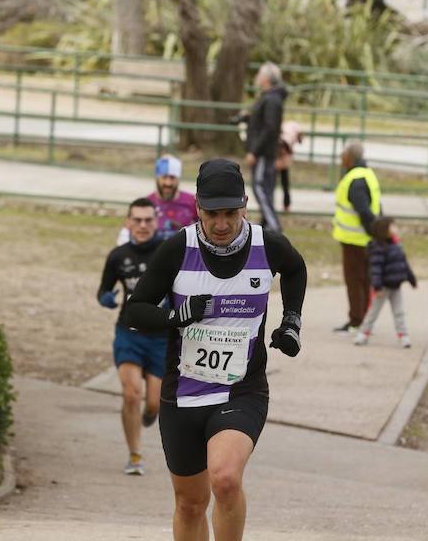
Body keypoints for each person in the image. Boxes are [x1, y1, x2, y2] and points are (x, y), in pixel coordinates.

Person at [125, 158, 307, 541]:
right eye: (212, 214)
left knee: (225, 479)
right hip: (183, 393)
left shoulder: (267, 244)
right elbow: (135, 311)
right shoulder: (178, 249)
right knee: (191, 503)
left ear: (244, 205)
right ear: (198, 209)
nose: (222, 224)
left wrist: (291, 320)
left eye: (230, 213)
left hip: (241, 389)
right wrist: (177, 316)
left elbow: (295, 268)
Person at [98, 197, 169, 475]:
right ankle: (135, 455)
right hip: (129, 332)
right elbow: (103, 289)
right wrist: (106, 298)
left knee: (153, 402)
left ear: (156, 222)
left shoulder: (167, 252)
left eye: (148, 220)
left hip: (162, 336)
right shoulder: (118, 256)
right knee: (131, 394)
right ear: (128, 223)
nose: (142, 225)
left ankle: (150, 414)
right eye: (136, 220)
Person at [332, 143, 381, 333]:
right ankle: (363, 320)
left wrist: (373, 232)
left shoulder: (355, 179)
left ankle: (357, 322)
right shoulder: (367, 174)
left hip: (356, 241)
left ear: (350, 158)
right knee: (365, 281)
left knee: (355, 281)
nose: (340, 158)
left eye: (343, 154)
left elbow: (364, 211)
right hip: (364, 240)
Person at [354, 216, 417, 347]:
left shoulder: (397, 244)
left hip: (396, 286)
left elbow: (404, 264)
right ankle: (363, 333)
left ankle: (403, 335)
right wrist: (377, 287)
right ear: (384, 230)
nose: (396, 228)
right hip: (382, 288)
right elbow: (375, 269)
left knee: (399, 312)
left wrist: (411, 279)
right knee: (373, 312)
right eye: (392, 226)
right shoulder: (378, 248)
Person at [243, 62, 287, 233]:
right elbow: (263, 122)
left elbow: (270, 128)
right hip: (263, 152)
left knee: (260, 187)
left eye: (260, 74)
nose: (257, 77)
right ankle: (266, 225)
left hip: (263, 153)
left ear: (267, 78)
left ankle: (274, 227)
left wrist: (255, 151)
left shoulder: (272, 99)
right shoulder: (268, 97)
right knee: (264, 189)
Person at [117, 155, 198, 244]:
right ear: (157, 178)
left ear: (178, 179)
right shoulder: (146, 204)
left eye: (172, 177)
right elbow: (126, 235)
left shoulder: (193, 202)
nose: (168, 183)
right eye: (164, 177)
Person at [275, 120, 303, 212]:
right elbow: (299, 141)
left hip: (281, 158)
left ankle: (285, 204)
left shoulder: (289, 128)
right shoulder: (287, 140)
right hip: (281, 158)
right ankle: (286, 205)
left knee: (281, 183)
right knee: (284, 183)